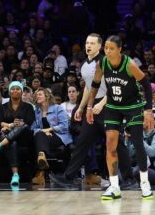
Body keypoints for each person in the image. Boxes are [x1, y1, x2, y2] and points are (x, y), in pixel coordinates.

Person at [49, 33, 127, 188]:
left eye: (92, 43)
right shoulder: (84, 64)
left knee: (116, 143)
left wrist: (102, 103)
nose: (88, 46)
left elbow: (114, 86)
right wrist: (81, 107)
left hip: (108, 105)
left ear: (100, 46)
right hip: (93, 107)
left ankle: (129, 178)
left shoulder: (106, 62)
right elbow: (88, 88)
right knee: (82, 142)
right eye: (87, 43)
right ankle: (68, 177)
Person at [90, 35, 155, 201]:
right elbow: (95, 84)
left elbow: (146, 85)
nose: (108, 51)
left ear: (119, 50)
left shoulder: (129, 64)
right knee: (110, 145)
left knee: (138, 144)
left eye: (111, 48)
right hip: (113, 107)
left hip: (133, 106)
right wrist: (90, 106)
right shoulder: (102, 64)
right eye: (106, 48)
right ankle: (114, 186)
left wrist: (148, 110)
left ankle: (145, 183)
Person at [0, 81, 35, 187]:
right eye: (13, 89)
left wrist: (12, 125)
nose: (15, 91)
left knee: (23, 126)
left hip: (24, 136)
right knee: (13, 143)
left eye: (18, 89)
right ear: (9, 91)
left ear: (21, 92)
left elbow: (29, 122)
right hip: (7, 133)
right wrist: (10, 125)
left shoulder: (29, 107)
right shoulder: (2, 107)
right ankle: (15, 175)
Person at [30, 87, 71, 185]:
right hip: (43, 137)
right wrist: (43, 132)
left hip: (58, 136)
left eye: (40, 94)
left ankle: (40, 174)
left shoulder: (58, 108)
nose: (37, 96)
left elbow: (64, 126)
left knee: (39, 136)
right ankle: (42, 156)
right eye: (36, 95)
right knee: (39, 136)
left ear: (47, 96)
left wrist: (49, 129)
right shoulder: (37, 111)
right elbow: (33, 128)